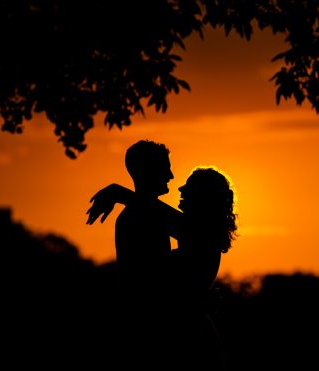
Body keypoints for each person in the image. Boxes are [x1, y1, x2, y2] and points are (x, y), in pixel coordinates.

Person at [86, 140, 237, 370]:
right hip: (166, 338)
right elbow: (146, 285)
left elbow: (156, 283)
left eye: (191, 187)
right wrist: (193, 300)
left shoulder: (197, 231)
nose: (176, 183)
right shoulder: (145, 219)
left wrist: (118, 191)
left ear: (206, 198)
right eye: (165, 168)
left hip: (185, 342)